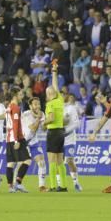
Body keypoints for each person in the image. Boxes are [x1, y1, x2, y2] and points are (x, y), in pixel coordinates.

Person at [44, 60, 68, 191]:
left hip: (53, 132)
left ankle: (53, 185)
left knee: (52, 159)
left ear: (48, 95)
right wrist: (54, 71)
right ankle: (63, 185)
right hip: (61, 132)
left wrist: (44, 122)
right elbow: (55, 85)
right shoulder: (60, 100)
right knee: (59, 159)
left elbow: (51, 118)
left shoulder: (50, 104)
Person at [4, 87, 30, 193]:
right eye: (20, 95)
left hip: (8, 138)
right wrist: (16, 141)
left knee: (10, 163)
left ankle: (10, 187)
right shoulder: (15, 108)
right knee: (27, 160)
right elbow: (15, 125)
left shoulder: (8, 106)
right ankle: (18, 183)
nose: (22, 97)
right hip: (17, 138)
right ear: (15, 96)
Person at [23, 97, 48, 192]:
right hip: (24, 142)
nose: (38, 106)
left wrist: (46, 122)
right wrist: (38, 118)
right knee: (21, 164)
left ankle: (42, 186)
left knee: (42, 162)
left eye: (39, 104)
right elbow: (33, 128)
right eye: (35, 104)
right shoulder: (26, 114)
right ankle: (15, 183)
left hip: (34, 141)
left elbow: (44, 129)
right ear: (30, 106)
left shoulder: (42, 114)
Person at [62, 93, 84, 192]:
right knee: (58, 162)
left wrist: (65, 132)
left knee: (70, 161)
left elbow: (77, 123)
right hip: (58, 139)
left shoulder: (71, 108)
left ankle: (76, 182)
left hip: (69, 139)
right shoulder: (56, 108)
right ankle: (59, 184)